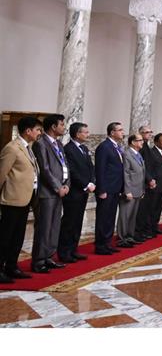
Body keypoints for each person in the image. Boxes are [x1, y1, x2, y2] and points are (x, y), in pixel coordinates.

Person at [0, 117, 42, 283]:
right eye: (37, 130)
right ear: (28, 131)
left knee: (18, 236)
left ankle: (11, 266)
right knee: (5, 237)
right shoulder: (12, 148)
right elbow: (2, 173)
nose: (39, 133)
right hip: (12, 199)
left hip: (26, 198)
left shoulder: (28, 147)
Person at [30, 114, 70, 273]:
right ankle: (38, 261)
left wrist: (66, 184)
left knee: (54, 226)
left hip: (60, 191)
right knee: (44, 227)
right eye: (62, 124)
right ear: (53, 127)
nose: (64, 127)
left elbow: (65, 166)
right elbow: (44, 169)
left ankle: (48, 257)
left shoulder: (58, 143)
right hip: (47, 193)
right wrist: (57, 187)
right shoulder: (40, 144)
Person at [58, 122, 95, 263]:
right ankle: (64, 252)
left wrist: (92, 181)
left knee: (78, 222)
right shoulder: (68, 149)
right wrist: (85, 184)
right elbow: (72, 171)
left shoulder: (84, 148)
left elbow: (91, 167)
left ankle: (73, 249)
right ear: (77, 134)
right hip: (74, 191)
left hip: (84, 191)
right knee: (69, 222)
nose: (88, 134)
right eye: (85, 132)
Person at [94, 122, 125, 255]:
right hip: (106, 189)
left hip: (115, 188)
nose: (123, 132)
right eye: (120, 130)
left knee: (111, 217)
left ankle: (107, 243)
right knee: (103, 218)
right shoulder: (104, 147)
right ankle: (100, 245)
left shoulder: (117, 146)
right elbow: (100, 170)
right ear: (112, 132)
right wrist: (101, 190)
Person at [118, 133, 145, 248]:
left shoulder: (138, 154)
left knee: (133, 216)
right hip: (130, 190)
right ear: (133, 142)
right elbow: (126, 173)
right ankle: (122, 238)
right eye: (140, 140)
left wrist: (142, 189)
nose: (142, 142)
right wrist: (127, 190)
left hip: (138, 189)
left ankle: (130, 236)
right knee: (125, 215)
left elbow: (141, 173)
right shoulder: (127, 154)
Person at [142, 133, 162, 238]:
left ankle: (155, 227)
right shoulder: (152, 152)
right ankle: (148, 229)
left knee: (158, 208)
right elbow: (149, 168)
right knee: (151, 209)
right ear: (156, 142)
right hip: (155, 185)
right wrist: (151, 181)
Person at [134, 126, 156, 242]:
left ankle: (143, 230)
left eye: (150, 132)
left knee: (146, 209)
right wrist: (149, 179)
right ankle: (137, 232)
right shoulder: (141, 148)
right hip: (142, 182)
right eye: (147, 132)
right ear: (141, 133)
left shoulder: (146, 146)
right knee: (140, 210)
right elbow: (142, 166)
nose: (150, 134)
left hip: (148, 182)